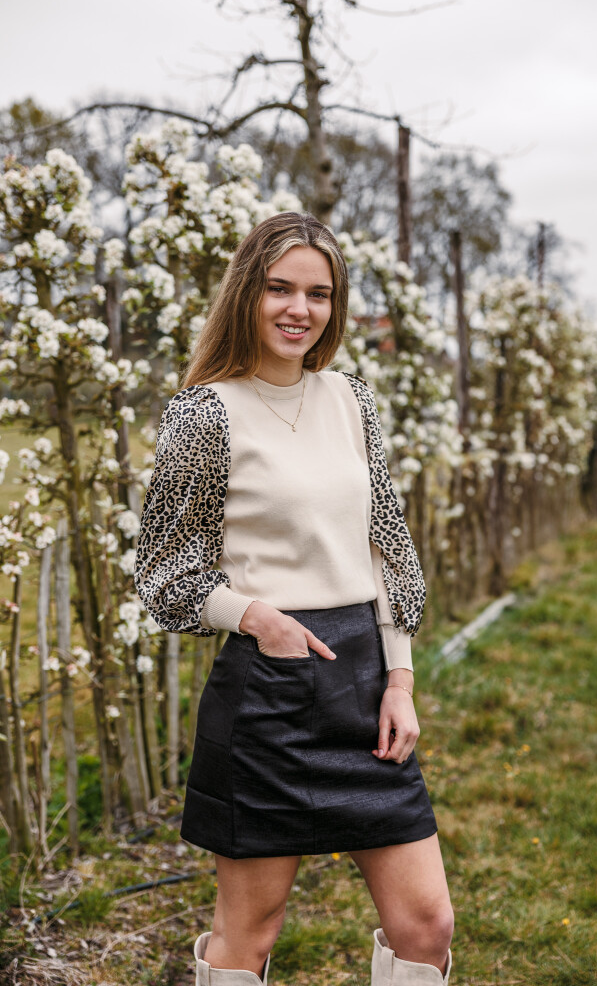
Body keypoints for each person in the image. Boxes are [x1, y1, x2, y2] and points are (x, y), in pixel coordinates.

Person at [134, 212, 454, 985]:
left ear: (334, 305)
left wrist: (399, 678)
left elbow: (387, 543)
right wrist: (253, 616)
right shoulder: (204, 414)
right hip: (268, 692)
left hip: (363, 682)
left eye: (317, 293)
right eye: (279, 288)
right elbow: (162, 568)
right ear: (247, 292)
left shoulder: (350, 398)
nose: (297, 309)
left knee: (425, 921)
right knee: (251, 930)